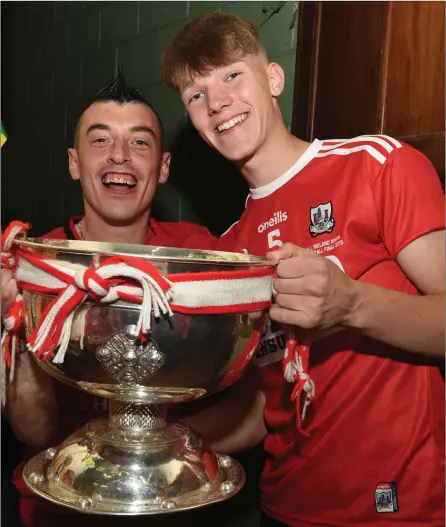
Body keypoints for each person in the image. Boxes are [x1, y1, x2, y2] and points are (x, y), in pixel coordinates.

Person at [161, 11, 445, 527]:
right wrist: (156, 438)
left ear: (273, 79)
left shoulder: (378, 165)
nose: (216, 101)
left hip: (399, 508)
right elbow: (260, 410)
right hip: (285, 508)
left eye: (231, 75)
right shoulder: (230, 251)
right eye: (194, 95)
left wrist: (354, 304)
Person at [1, 71, 217, 527]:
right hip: (60, 506)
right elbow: (34, 431)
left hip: (172, 505)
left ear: (163, 167)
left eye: (140, 143)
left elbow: (248, 400)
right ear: (74, 163)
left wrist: (164, 457)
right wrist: (17, 319)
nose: (120, 156)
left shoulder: (199, 257)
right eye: (100, 141)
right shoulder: (39, 266)